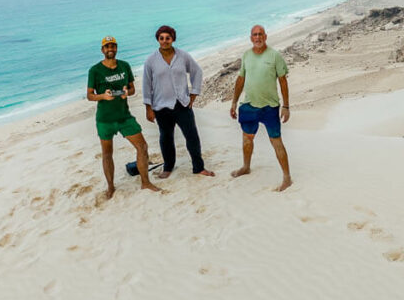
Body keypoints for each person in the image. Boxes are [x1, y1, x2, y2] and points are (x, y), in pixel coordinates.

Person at [86, 36, 160, 198]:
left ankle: (145, 182)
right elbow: (90, 95)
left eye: (112, 46)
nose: (110, 49)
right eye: (107, 46)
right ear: (102, 50)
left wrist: (128, 92)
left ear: (116, 48)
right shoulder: (95, 70)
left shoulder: (125, 66)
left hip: (125, 117)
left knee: (142, 147)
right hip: (105, 120)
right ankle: (111, 187)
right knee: (107, 154)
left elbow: (132, 89)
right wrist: (102, 97)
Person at [142, 25, 214, 179]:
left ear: (173, 39)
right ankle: (168, 167)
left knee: (192, 136)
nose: (165, 41)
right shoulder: (150, 61)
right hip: (161, 106)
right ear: (158, 40)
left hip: (182, 104)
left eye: (168, 38)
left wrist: (194, 93)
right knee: (166, 138)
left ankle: (198, 167)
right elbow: (146, 84)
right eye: (161, 38)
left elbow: (197, 71)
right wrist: (148, 108)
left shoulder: (183, 56)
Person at [229, 24, 292, 191]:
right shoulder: (246, 56)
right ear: (251, 38)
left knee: (276, 142)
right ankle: (246, 167)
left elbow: (283, 81)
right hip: (249, 106)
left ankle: (287, 178)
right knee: (247, 139)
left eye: (260, 34)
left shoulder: (274, 55)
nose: (257, 37)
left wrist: (286, 106)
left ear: (266, 36)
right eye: (255, 35)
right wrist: (234, 102)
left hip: (270, 107)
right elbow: (241, 79)